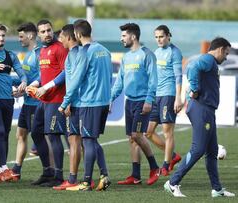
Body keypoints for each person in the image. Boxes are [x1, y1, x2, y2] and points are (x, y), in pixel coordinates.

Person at [164, 37, 235, 198]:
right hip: (201, 108)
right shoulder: (208, 59)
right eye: (226, 53)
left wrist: (193, 91)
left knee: (212, 151)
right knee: (198, 149)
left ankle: (217, 189)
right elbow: (192, 67)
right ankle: (172, 182)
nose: (226, 57)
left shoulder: (210, 62)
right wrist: (194, 89)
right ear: (219, 49)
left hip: (206, 110)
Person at [57, 20, 111, 191]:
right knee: (93, 140)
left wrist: (65, 102)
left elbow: (76, 80)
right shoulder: (104, 50)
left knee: (87, 141)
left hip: (88, 102)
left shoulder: (84, 53)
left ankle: (86, 182)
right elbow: (109, 77)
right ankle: (104, 175)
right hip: (103, 102)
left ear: (78, 35)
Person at [111, 23, 160, 186]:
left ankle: (155, 167)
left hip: (142, 101)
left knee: (137, 135)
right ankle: (135, 175)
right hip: (130, 101)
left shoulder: (147, 54)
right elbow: (119, 82)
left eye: (124, 36)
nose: (121, 39)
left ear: (133, 36)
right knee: (132, 139)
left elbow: (154, 80)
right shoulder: (126, 57)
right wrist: (110, 98)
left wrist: (148, 99)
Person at [28, 19, 68, 187]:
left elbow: (67, 72)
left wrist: (47, 87)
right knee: (36, 133)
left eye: (49, 30)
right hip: (43, 100)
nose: (47, 33)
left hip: (56, 99)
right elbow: (43, 74)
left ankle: (58, 176)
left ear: (52, 31)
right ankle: (48, 171)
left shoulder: (60, 48)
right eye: (43, 31)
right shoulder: (43, 51)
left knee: (53, 136)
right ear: (38, 34)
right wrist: (35, 84)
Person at [0, 23, 27, 182]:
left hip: (8, 100)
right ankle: (3, 167)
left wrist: (22, 82)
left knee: (6, 132)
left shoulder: (11, 55)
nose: (1, 38)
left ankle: (2, 169)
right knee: (0, 131)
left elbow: (22, 74)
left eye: (3, 35)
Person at [145, 25, 183, 176]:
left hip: (168, 95)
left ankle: (166, 165)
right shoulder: (157, 52)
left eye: (161, 36)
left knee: (168, 132)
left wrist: (178, 98)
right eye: (156, 37)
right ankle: (173, 156)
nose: (159, 40)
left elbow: (179, 77)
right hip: (156, 95)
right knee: (148, 132)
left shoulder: (175, 52)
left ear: (168, 36)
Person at [10, 22, 41, 180]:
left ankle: (50, 170)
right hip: (27, 103)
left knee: (39, 138)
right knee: (20, 134)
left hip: (36, 104)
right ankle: (16, 169)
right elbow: (26, 79)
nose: (19, 39)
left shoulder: (38, 54)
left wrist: (24, 90)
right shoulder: (28, 54)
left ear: (30, 35)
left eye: (21, 36)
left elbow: (42, 79)